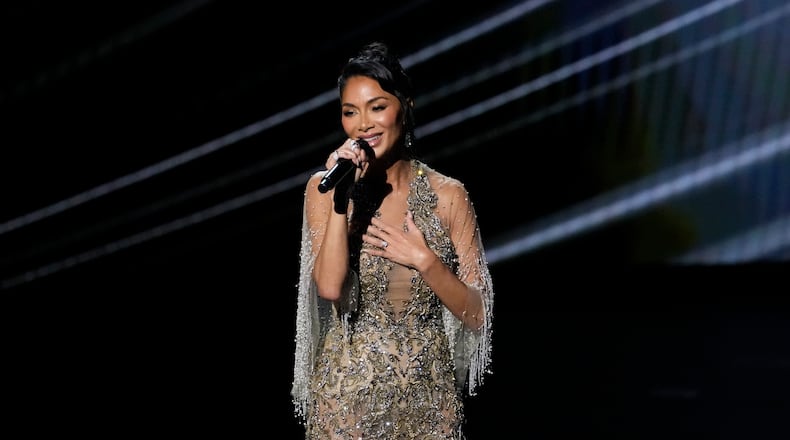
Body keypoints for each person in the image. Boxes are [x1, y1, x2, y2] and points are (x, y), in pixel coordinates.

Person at [291, 41, 495, 439]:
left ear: (406, 107)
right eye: (350, 112)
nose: (363, 124)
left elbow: (477, 314)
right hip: (346, 405)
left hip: (429, 408)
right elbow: (330, 286)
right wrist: (341, 202)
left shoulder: (448, 195)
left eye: (377, 107)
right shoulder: (325, 188)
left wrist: (425, 259)